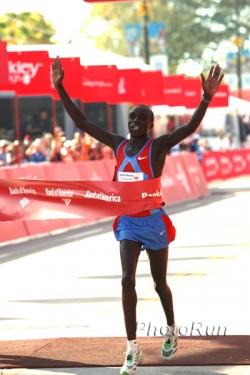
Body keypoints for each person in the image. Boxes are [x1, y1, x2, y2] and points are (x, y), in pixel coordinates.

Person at [51, 56, 223, 375]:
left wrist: (206, 98)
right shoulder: (118, 145)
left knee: (159, 284)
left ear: (149, 125)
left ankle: (171, 329)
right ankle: (132, 348)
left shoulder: (157, 148)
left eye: (141, 118)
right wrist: (60, 87)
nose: (134, 121)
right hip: (128, 223)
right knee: (127, 279)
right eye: (131, 116)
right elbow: (83, 123)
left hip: (153, 221)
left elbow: (189, 128)